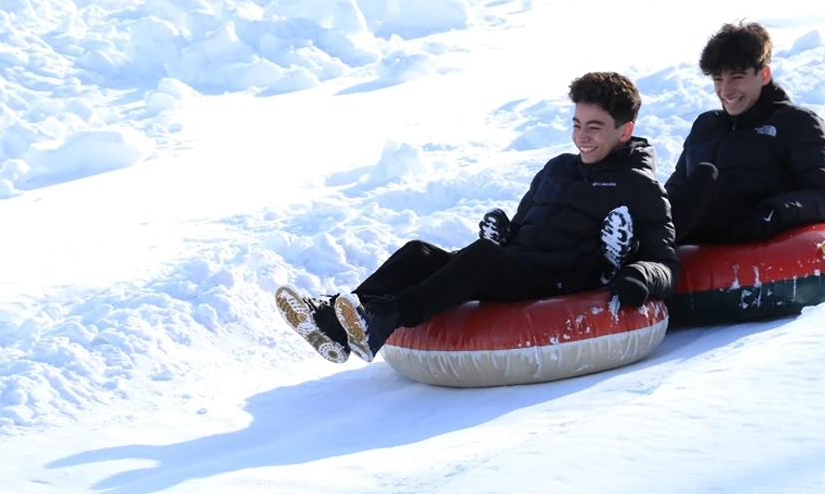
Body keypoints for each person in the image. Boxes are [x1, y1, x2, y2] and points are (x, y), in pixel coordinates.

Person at [275, 71, 679, 364]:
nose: (581, 137)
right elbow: (526, 225)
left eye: (594, 127)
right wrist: (507, 233)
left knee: (482, 256)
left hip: (561, 279)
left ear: (625, 131)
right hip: (521, 263)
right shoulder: (557, 168)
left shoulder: (639, 186)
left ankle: (382, 319)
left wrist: (640, 275)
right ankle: (332, 324)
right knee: (420, 252)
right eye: (576, 125)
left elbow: (665, 260)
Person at [665, 21, 825, 245]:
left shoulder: (797, 123)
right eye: (718, 79)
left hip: (751, 229)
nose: (725, 91)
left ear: (764, 75)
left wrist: (775, 211)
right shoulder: (706, 125)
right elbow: (676, 188)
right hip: (694, 234)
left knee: (704, 175)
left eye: (736, 78)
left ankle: (643, 250)